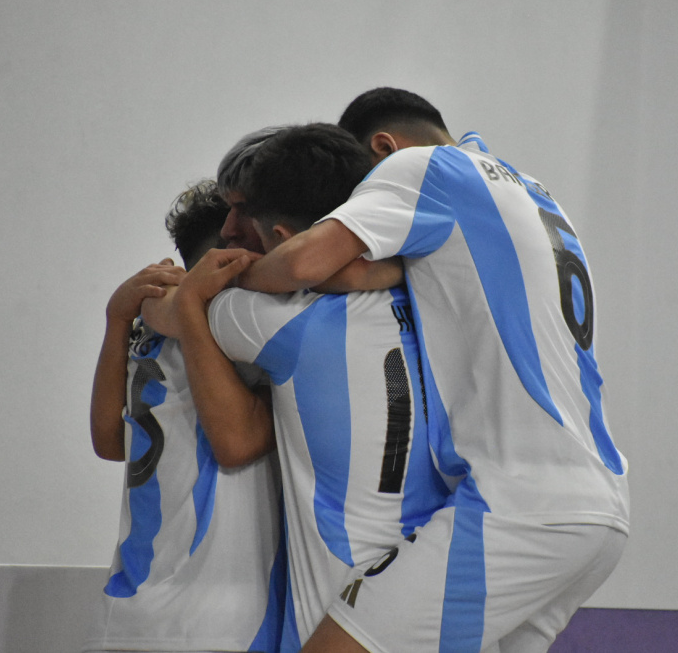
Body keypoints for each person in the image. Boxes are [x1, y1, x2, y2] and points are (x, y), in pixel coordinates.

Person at [234, 88, 631, 653]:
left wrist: (225, 278)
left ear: (383, 147)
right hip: (600, 500)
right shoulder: (531, 192)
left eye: (358, 193)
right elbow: (362, 274)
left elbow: (304, 261)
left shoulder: (422, 168)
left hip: (519, 501)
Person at [143, 124, 449, 653]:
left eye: (243, 215)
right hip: (440, 594)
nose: (231, 230)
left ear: (284, 241)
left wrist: (136, 304)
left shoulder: (277, 318)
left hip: (340, 615)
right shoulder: (434, 297)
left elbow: (168, 308)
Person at [84, 180, 286, 653]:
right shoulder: (238, 323)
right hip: (219, 610)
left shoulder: (145, 326)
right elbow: (237, 445)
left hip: (129, 604)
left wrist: (117, 321)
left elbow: (109, 442)